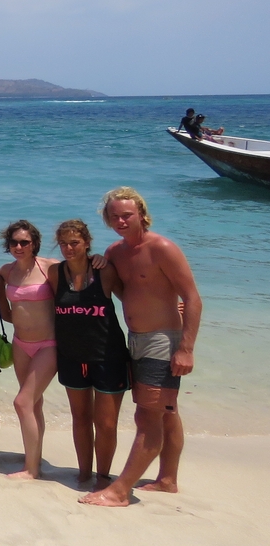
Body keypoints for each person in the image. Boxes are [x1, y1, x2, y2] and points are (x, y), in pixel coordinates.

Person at [82, 188, 203, 507]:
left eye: (127, 215)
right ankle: (167, 480)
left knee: (146, 415)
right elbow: (126, 291)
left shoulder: (162, 247)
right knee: (166, 410)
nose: (120, 220)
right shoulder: (115, 252)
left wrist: (186, 348)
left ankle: (121, 490)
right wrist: (100, 265)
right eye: (114, 216)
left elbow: (192, 298)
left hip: (163, 340)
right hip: (134, 338)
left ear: (141, 214)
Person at [49, 219, 129, 489]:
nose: (69, 248)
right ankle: (84, 472)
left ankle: (103, 476)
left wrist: (168, 309)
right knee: (80, 418)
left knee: (105, 424)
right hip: (72, 356)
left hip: (108, 357)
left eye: (74, 243)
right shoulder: (55, 273)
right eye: (63, 243)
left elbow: (131, 298)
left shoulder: (104, 272)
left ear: (86, 243)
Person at [0, 219, 60, 479]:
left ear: (35, 243)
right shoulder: (6, 272)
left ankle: (31, 469)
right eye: (14, 242)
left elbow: (82, 279)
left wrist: (99, 260)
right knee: (33, 404)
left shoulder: (50, 268)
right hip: (21, 343)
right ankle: (33, 455)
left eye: (25, 242)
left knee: (22, 402)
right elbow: (4, 310)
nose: (19, 246)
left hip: (49, 344)